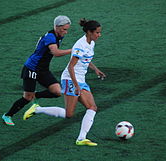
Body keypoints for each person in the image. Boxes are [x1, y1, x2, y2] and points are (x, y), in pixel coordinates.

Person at [23, 18, 106, 146]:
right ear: (89, 32)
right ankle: (38, 109)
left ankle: (81, 138)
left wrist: (96, 69)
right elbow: (71, 67)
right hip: (70, 79)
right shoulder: (80, 45)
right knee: (69, 114)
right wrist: (76, 85)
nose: (99, 35)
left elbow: (86, 60)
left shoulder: (91, 43)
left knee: (92, 107)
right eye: (97, 33)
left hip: (80, 79)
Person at [2, 15, 72, 126]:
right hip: (32, 68)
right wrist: (73, 50)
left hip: (43, 69)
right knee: (26, 98)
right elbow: (56, 53)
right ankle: (8, 115)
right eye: (64, 29)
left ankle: (35, 95)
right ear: (57, 27)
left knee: (57, 92)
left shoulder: (58, 35)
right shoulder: (50, 37)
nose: (66, 32)